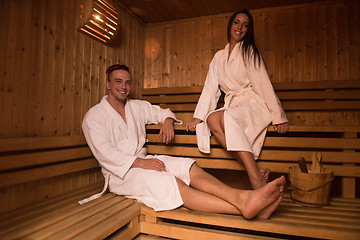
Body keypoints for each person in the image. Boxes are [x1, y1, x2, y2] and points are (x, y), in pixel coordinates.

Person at [80, 64, 286, 219]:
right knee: (171, 182)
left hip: (144, 160)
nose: (123, 87)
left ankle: (244, 199)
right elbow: (105, 153)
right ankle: (245, 205)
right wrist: (141, 164)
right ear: (108, 84)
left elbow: (164, 112)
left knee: (188, 166)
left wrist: (168, 121)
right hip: (120, 174)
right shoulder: (94, 116)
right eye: (118, 82)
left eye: (127, 82)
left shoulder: (136, 106)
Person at [185, 9, 289, 190]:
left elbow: (264, 85)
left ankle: (255, 180)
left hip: (254, 104)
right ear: (230, 25)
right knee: (211, 119)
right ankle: (256, 171)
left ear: (249, 30)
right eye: (237, 22)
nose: (240, 27)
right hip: (235, 105)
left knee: (226, 117)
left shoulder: (250, 52)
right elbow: (210, 88)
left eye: (245, 25)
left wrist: (279, 116)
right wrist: (198, 117)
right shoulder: (219, 57)